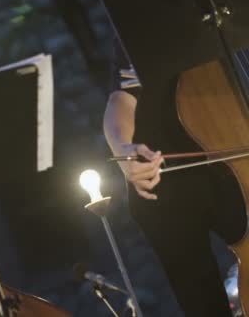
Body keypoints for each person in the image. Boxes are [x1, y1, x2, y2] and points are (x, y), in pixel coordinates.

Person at [103, 40, 248, 316]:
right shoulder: (141, 12)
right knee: (203, 305)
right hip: (167, 178)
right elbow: (120, 98)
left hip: (236, 162)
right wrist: (122, 149)